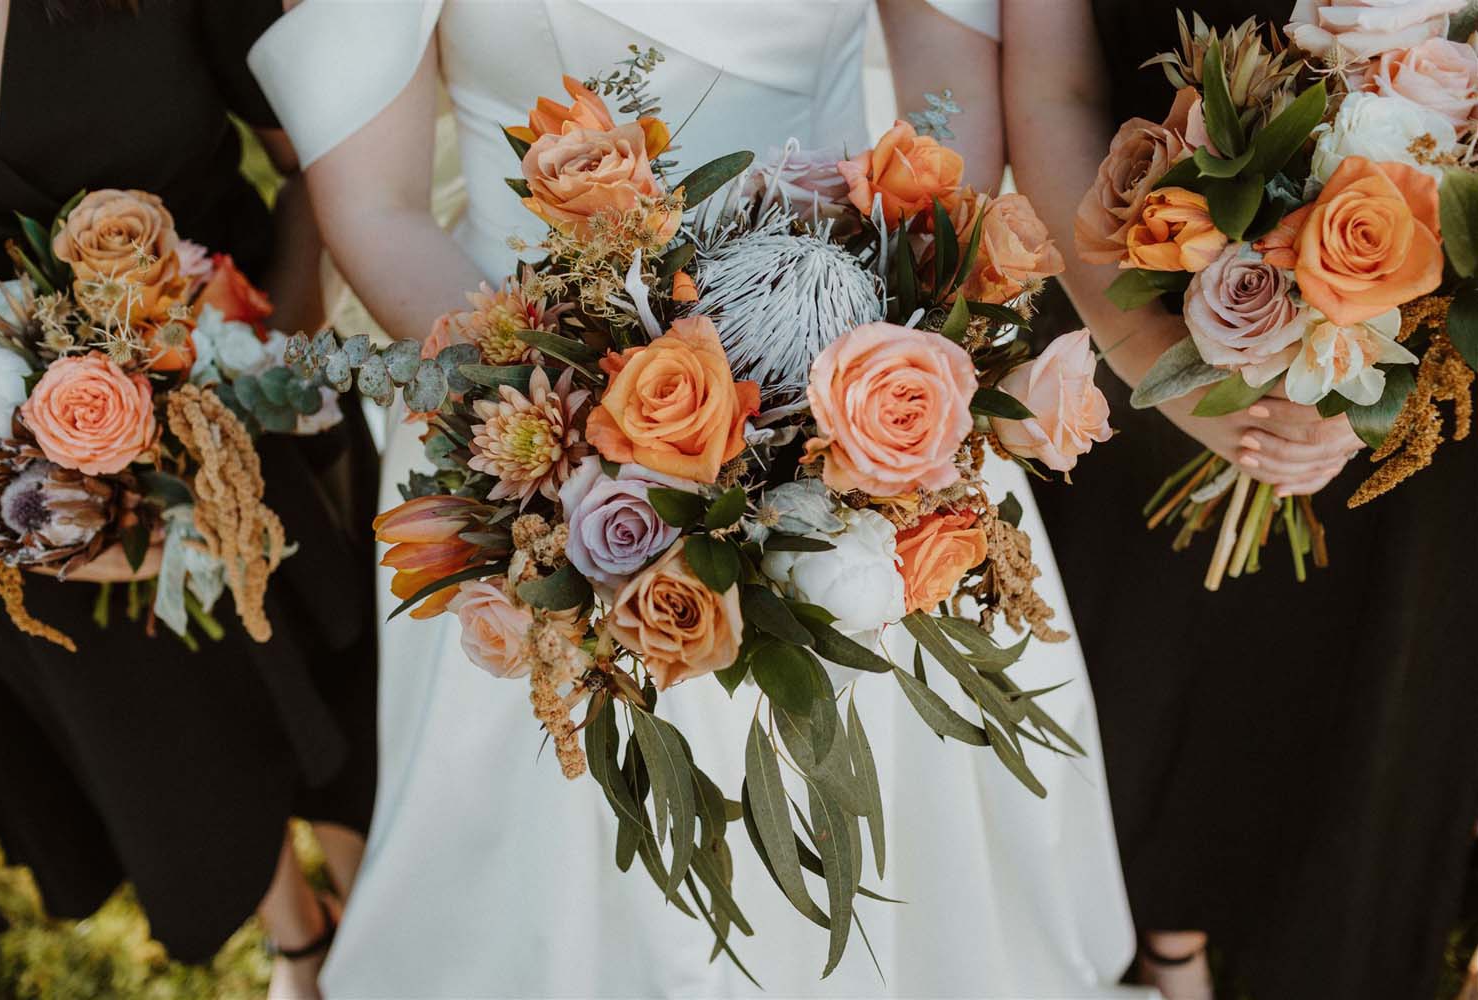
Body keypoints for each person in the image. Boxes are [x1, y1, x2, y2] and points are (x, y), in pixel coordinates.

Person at [250, 1, 1151, 996]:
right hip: (511, 379)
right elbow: (380, 209)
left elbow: (950, 131)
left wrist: (867, 384)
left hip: (854, 361)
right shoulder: (532, 413)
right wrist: (569, 440)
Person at [1004, 1, 1478, 998]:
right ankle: (1161, 944)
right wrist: (1167, 373)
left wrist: (1368, 387)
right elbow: (1056, 90)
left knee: (1357, 766)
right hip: (1131, 315)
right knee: (1138, 730)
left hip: (1422, 392)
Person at [0, 1, 379, 996]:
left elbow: (311, 168)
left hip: (248, 381)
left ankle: (382, 930)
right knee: (179, 737)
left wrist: (254, 392)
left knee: (335, 688)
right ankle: (297, 930)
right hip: (25, 494)